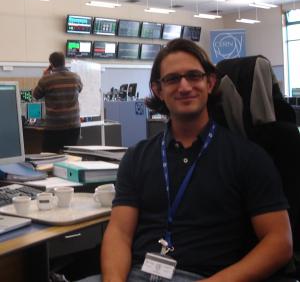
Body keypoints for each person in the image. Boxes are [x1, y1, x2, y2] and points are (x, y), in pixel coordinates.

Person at [87, 39, 292, 282]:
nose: (184, 86)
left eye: (194, 76)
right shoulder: (137, 156)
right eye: (172, 79)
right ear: (158, 90)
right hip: (137, 272)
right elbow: (119, 233)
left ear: (210, 82)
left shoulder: (248, 157)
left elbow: (279, 242)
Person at [33, 52, 83, 153]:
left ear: (51, 64)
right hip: (73, 126)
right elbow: (80, 89)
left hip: (54, 127)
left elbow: (36, 95)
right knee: (70, 157)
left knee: (49, 156)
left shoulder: (46, 79)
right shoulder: (75, 77)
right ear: (64, 62)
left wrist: (44, 75)